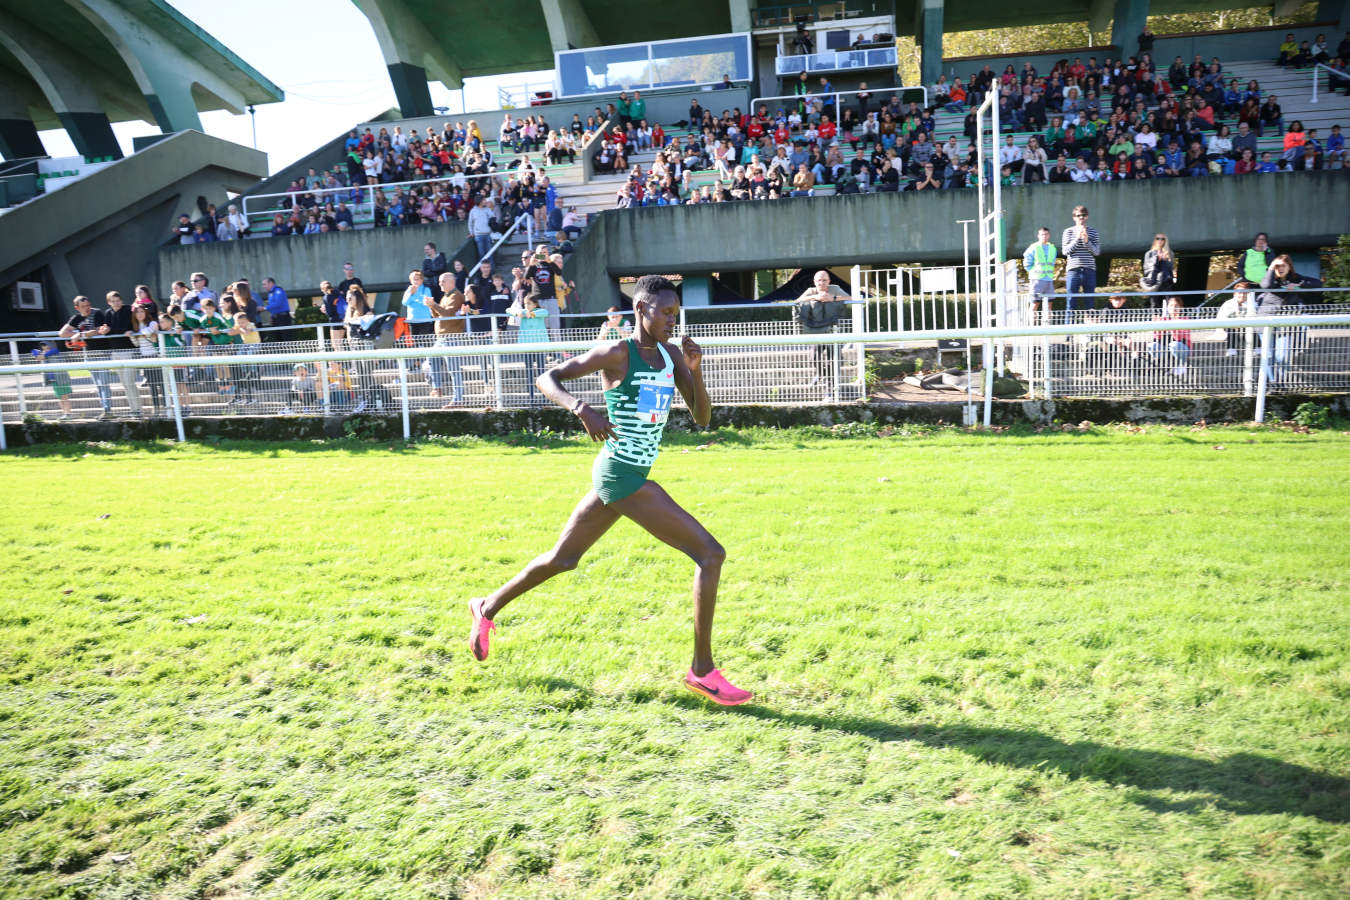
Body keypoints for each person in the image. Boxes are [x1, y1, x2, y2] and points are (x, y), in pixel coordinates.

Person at [466, 275, 749, 705]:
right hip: (623, 475)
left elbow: (703, 417)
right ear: (641, 310)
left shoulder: (672, 356)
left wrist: (695, 371)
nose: (674, 321)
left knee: (563, 558)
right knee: (711, 555)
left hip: (618, 474)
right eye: (666, 313)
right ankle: (703, 671)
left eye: (677, 314)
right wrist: (582, 409)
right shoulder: (618, 353)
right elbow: (549, 377)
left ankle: (485, 608)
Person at [1257, 255, 1322, 384]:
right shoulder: (1270, 277)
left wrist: (1298, 285)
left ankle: (1280, 383)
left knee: (1283, 356)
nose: (1280, 269)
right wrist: (1271, 267)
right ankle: (1270, 383)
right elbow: (1266, 285)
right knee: (1268, 356)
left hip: (1285, 324)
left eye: (1283, 266)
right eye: (1277, 266)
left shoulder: (1296, 278)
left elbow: (1318, 283)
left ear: (1289, 267)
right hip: (1266, 322)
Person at [794, 270, 849, 391]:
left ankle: (830, 384)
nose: (822, 283)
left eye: (824, 280)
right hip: (817, 331)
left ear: (829, 281)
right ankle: (822, 375)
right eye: (819, 280)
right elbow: (797, 301)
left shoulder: (835, 288)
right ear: (814, 282)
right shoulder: (811, 291)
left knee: (834, 357)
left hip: (833, 330)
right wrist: (815, 297)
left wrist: (833, 298)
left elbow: (851, 297)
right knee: (814, 356)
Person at [58, 295, 112, 416]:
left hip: (102, 353)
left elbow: (97, 330)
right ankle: (105, 410)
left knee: (103, 383)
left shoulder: (97, 313)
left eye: (88, 305)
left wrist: (80, 335)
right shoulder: (76, 318)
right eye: (83, 306)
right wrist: (77, 334)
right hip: (89, 354)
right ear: (77, 308)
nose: (87, 308)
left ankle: (108, 410)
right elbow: (62, 333)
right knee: (98, 384)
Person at [102, 291, 144, 418]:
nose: (116, 303)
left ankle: (138, 410)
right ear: (109, 302)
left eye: (118, 300)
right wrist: (105, 330)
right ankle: (133, 409)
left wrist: (111, 330)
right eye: (113, 301)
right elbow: (107, 330)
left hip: (129, 351)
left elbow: (128, 327)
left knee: (129, 381)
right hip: (115, 352)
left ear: (121, 300)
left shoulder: (128, 310)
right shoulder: (108, 313)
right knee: (124, 383)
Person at [428, 275, 467, 406]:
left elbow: (448, 315)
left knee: (454, 369)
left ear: (452, 281)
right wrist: (431, 306)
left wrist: (434, 305)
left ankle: (458, 399)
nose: (440, 284)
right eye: (439, 281)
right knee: (431, 358)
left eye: (443, 281)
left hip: (451, 337)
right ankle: (437, 387)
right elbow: (436, 315)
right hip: (441, 337)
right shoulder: (445, 296)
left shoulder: (456, 295)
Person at [1061, 206, 1100, 319]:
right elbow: (1065, 251)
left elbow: (1097, 252)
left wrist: (1087, 241)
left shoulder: (1093, 232)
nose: (1081, 218)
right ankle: (1069, 335)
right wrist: (1077, 238)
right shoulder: (1068, 231)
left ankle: (1090, 334)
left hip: (1089, 270)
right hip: (1073, 271)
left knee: (1090, 304)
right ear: (1074, 217)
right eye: (1078, 215)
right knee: (1071, 302)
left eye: (1083, 215)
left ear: (1087, 217)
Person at [129, 303, 165, 415]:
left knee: (161, 383)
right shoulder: (135, 327)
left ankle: (166, 406)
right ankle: (156, 408)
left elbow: (149, 332)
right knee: (152, 384)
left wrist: (139, 334)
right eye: (137, 312)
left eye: (142, 311)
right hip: (145, 358)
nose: (139, 314)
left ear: (146, 313)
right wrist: (132, 336)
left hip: (155, 356)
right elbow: (136, 344)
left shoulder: (152, 323)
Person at [1149, 296, 1192, 378]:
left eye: (1176, 305)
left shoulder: (1185, 320)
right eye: (1171, 305)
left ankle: (1181, 364)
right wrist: (1157, 326)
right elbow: (1157, 337)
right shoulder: (1163, 319)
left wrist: (1171, 326)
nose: (1174, 308)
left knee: (1174, 345)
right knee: (1152, 346)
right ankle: (1167, 366)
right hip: (1166, 349)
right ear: (1167, 308)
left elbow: (1179, 338)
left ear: (1181, 308)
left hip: (1181, 348)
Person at [31, 341, 74, 419]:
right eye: (43, 347)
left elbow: (41, 356)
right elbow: (35, 354)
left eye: (47, 347)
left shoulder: (55, 351)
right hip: (54, 380)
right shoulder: (44, 354)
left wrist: (42, 354)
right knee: (60, 398)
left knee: (64, 397)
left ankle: (68, 414)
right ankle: (65, 413)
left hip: (62, 379)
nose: (45, 349)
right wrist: (39, 353)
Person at [1216, 281, 1258, 358]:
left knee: (1253, 328)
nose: (1242, 295)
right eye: (1239, 292)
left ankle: (1257, 349)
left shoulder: (1253, 303)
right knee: (1232, 330)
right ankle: (1231, 349)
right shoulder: (1228, 304)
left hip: (1247, 325)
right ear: (1234, 293)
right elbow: (1222, 317)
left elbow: (1255, 316)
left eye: (1245, 292)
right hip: (1231, 325)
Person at [1139, 234, 1176, 308]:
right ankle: (1155, 318)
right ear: (1154, 240)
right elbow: (1147, 269)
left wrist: (1165, 260)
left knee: (1170, 303)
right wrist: (1157, 259)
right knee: (1154, 304)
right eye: (1158, 238)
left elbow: (1171, 269)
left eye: (1162, 239)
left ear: (1165, 241)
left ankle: (1169, 318)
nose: (1160, 240)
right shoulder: (1149, 253)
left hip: (1166, 282)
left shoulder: (1169, 253)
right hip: (1154, 281)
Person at [1022, 227, 1057, 305]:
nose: (1044, 236)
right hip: (1036, 279)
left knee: (1050, 304)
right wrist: (1033, 272)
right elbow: (1027, 263)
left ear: (1049, 235)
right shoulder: (1034, 247)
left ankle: (1048, 318)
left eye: (1046, 234)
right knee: (1035, 304)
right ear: (1038, 236)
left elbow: (1053, 262)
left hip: (1049, 279)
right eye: (1042, 234)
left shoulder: (1053, 248)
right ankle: (1031, 318)